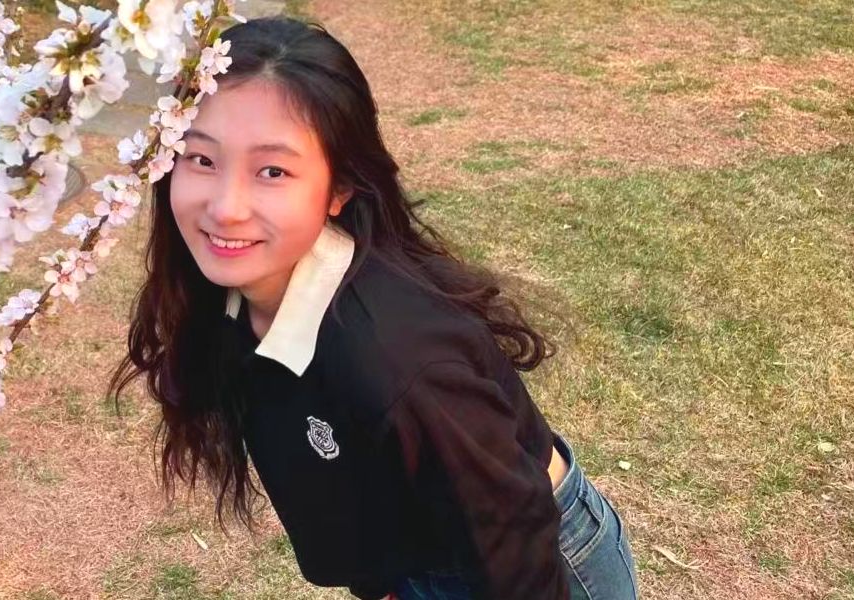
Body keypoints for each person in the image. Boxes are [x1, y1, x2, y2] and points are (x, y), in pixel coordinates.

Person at [108, 15, 639, 600]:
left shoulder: (393, 358)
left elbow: (510, 529)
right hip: (423, 552)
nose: (226, 208)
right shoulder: (236, 289)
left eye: (273, 171)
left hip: (528, 566)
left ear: (340, 187)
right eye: (202, 160)